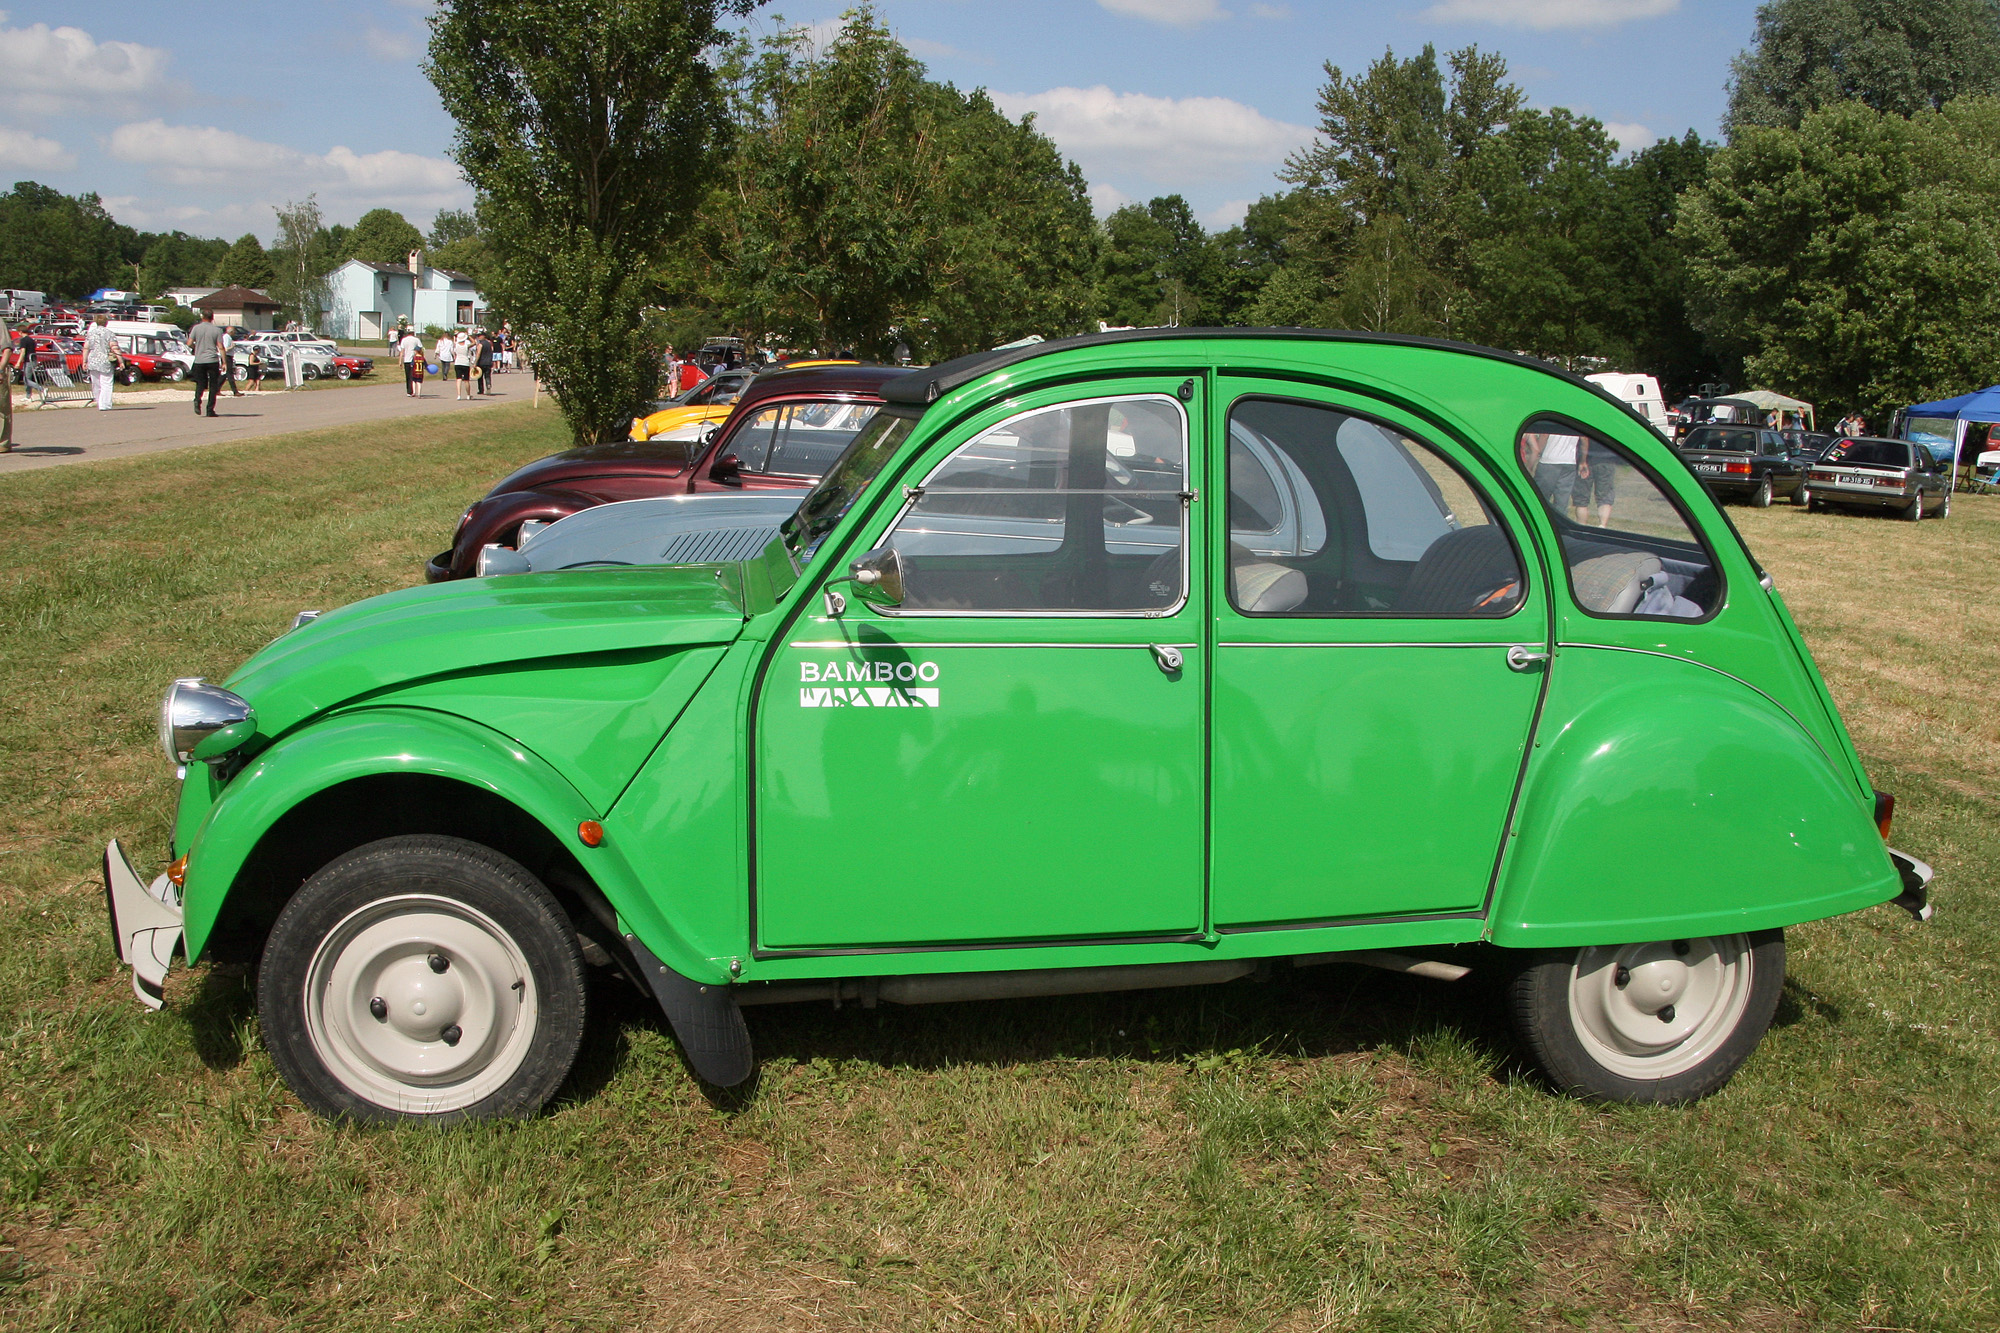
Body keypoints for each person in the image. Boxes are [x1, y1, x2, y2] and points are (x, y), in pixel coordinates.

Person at [81, 312, 124, 411]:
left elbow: (86, 348)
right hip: (105, 361)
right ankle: (105, 404)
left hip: (92, 361)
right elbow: (114, 347)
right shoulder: (109, 333)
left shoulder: (90, 333)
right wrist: (120, 360)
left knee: (96, 383)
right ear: (106, 323)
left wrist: (84, 361)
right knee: (106, 383)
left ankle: (99, 401)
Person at [188, 312, 225, 416]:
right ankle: (210, 409)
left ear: (202, 317)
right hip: (212, 359)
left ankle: (197, 399)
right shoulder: (217, 330)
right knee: (213, 385)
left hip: (199, 360)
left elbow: (189, 343)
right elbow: (220, 347)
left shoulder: (195, 328)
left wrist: (196, 348)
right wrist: (224, 362)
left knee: (200, 383)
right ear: (212, 318)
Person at [1573, 437, 1615, 527]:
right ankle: (1602, 526)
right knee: (1604, 497)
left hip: (1586, 460)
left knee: (1582, 500)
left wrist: (1582, 460)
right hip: (1606, 459)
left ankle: (1581, 527)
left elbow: (1583, 438)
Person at [399, 327, 423, 396]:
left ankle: (409, 391)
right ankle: (414, 391)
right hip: (415, 359)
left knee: (408, 376)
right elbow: (420, 349)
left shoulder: (404, 340)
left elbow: (402, 351)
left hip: (406, 360)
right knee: (413, 376)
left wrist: (400, 361)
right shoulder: (416, 340)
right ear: (413, 332)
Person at [453, 328, 474, 399]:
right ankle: (468, 395)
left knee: (458, 379)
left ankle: (459, 395)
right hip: (465, 363)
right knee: (466, 380)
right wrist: (468, 336)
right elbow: (474, 342)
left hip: (458, 362)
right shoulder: (466, 345)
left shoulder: (456, 344)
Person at [475, 328, 493, 395]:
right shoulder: (489, 343)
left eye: (479, 335)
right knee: (487, 376)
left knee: (480, 376)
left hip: (481, 362)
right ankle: (488, 385)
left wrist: (475, 362)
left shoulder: (480, 344)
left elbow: (478, 353)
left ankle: (481, 389)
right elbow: (491, 352)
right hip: (488, 362)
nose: (478, 337)